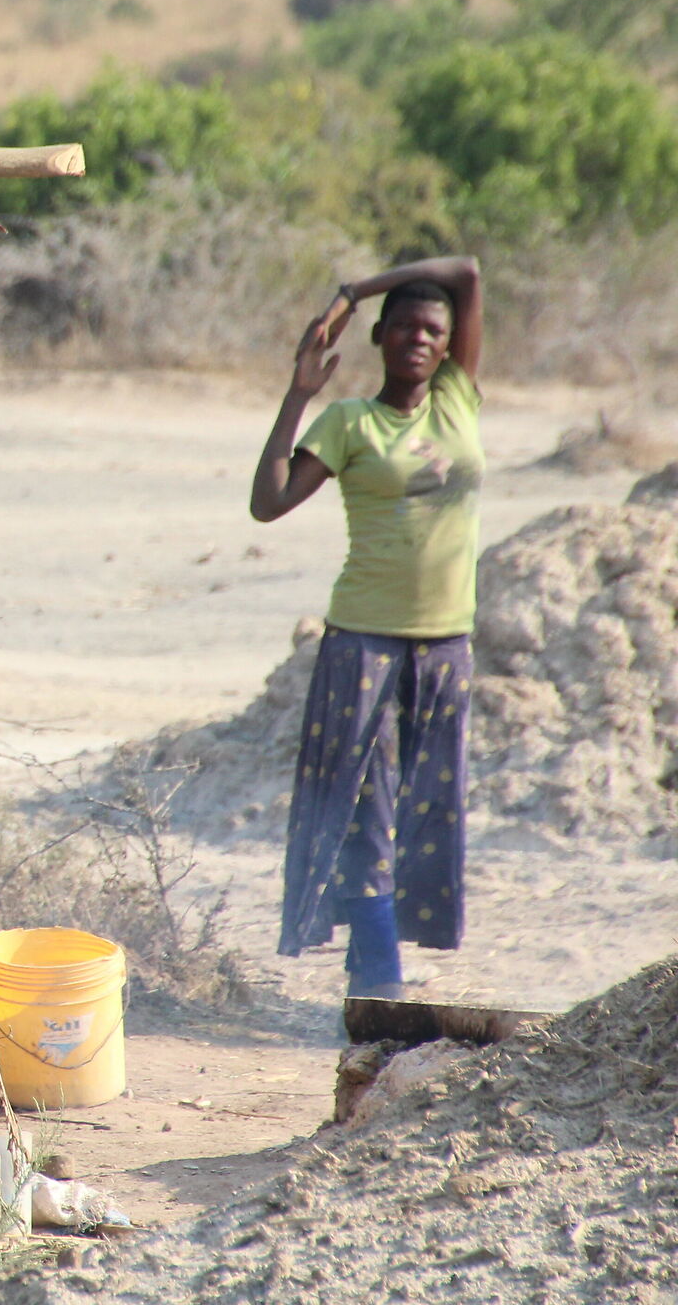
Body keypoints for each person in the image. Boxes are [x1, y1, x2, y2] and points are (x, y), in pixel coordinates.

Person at [249, 257, 483, 1002]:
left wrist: (355, 291)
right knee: (365, 805)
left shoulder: (458, 402)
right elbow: (269, 502)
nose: (418, 337)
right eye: (404, 328)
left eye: (433, 330)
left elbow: (467, 271)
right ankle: (377, 975)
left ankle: (385, 959)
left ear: (448, 347)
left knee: (427, 806)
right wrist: (298, 393)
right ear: (380, 341)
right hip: (363, 643)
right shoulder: (349, 421)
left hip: (447, 644)